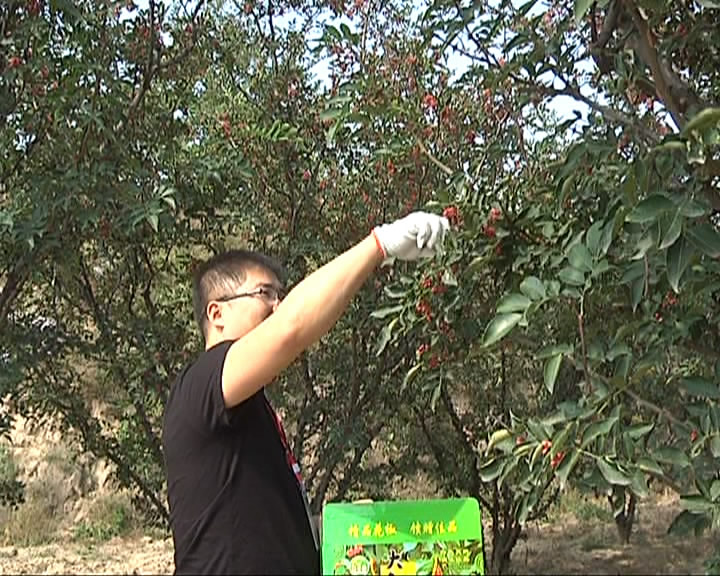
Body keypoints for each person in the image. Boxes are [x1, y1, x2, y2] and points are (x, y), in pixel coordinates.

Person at [162, 211, 449, 575]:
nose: (277, 306)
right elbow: (291, 328)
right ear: (216, 314)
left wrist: (338, 529)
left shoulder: (247, 408)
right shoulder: (203, 382)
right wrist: (379, 245)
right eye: (264, 293)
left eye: (280, 296)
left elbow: (257, 530)